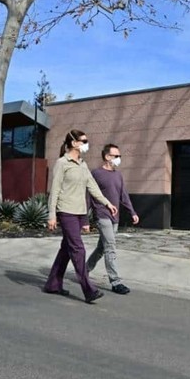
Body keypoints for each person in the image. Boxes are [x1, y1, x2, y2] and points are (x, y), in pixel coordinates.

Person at [44, 129, 117, 304]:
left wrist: (107, 203)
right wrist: (52, 215)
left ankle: (53, 284)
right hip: (66, 211)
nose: (86, 143)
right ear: (74, 143)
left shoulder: (83, 164)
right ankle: (88, 289)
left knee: (66, 249)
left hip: (78, 212)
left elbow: (92, 187)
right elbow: (54, 191)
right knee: (78, 249)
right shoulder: (62, 163)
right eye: (84, 141)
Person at [85, 143, 139, 295]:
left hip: (115, 216)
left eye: (119, 156)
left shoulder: (118, 175)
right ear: (107, 157)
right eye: (116, 156)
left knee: (102, 248)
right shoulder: (96, 174)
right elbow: (88, 196)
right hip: (102, 215)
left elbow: (124, 196)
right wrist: (85, 220)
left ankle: (84, 270)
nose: (119, 159)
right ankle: (115, 282)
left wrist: (132, 212)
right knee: (111, 247)